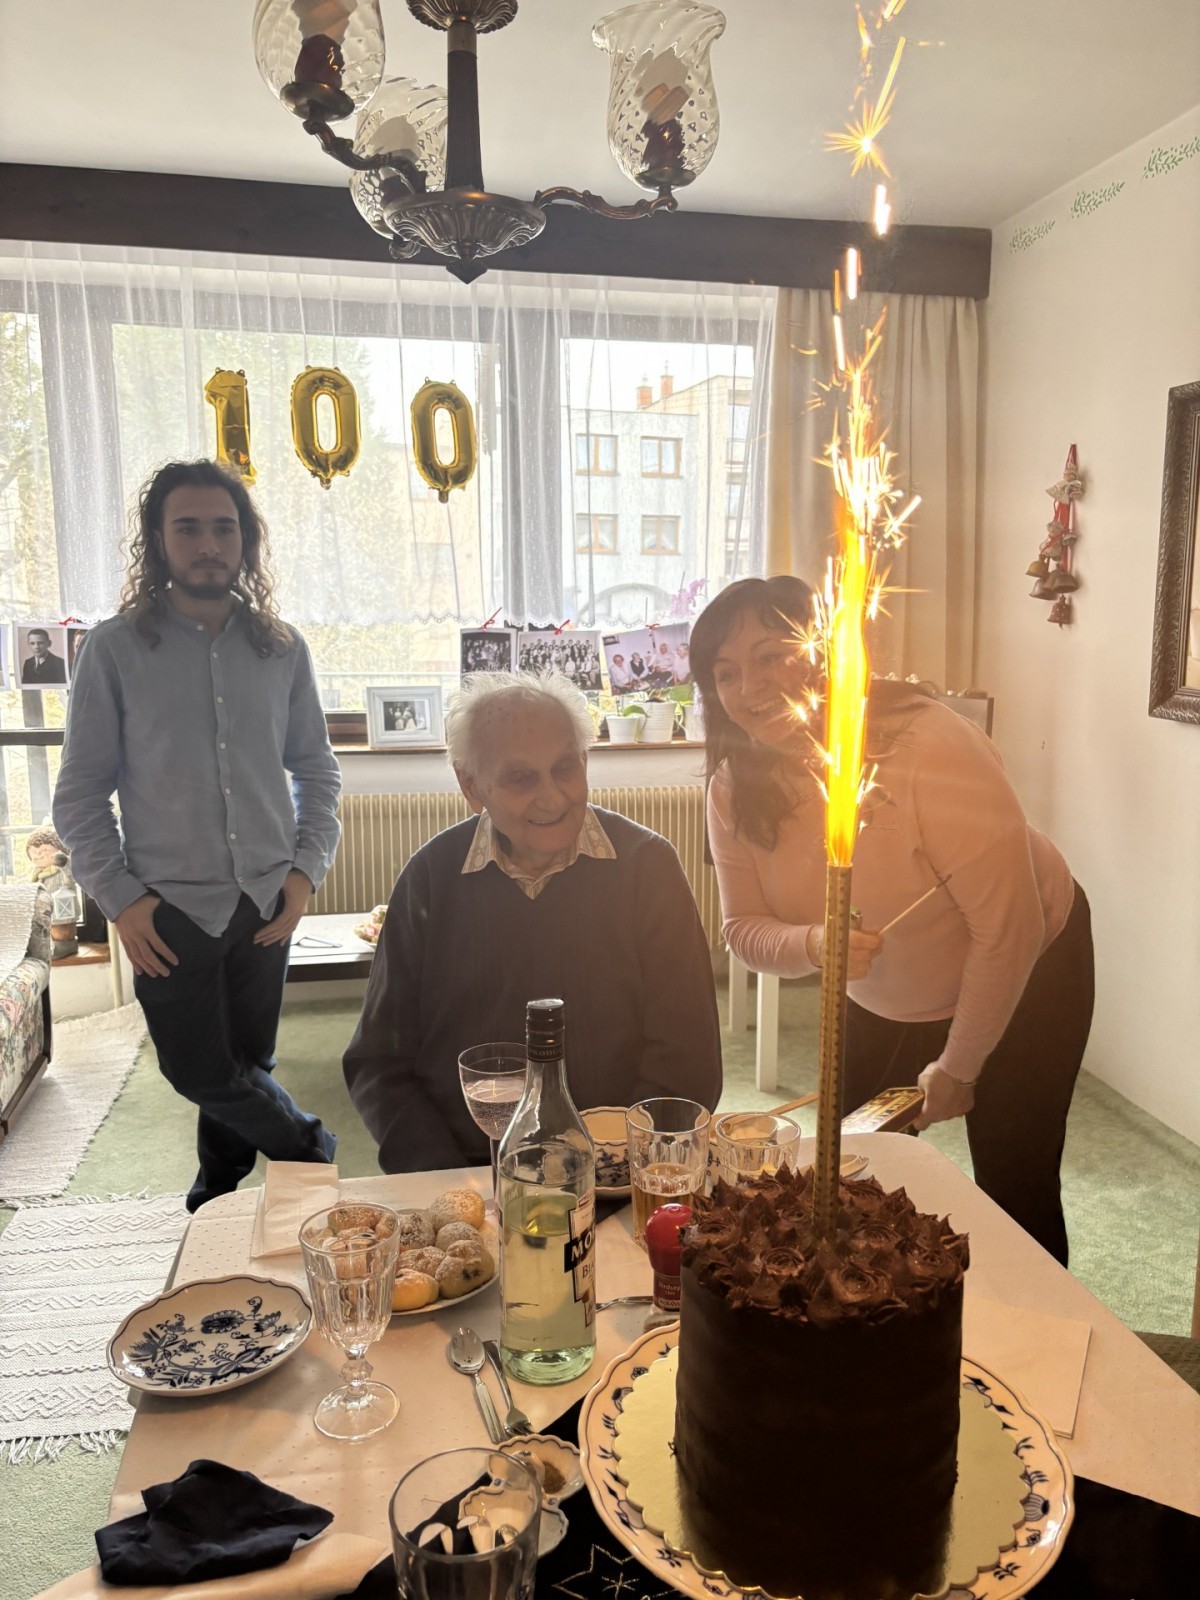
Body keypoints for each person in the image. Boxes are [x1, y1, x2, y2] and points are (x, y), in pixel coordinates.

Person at [689, 575, 1094, 1265]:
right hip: (886, 994)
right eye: (725, 673)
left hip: (1031, 969)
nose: (750, 686)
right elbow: (743, 929)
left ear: (823, 650)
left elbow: (1010, 928)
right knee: (847, 1168)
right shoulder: (734, 788)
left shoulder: (929, 746)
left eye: (771, 655)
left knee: (1015, 1182)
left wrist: (959, 1066)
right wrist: (816, 944)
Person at [53, 460, 341, 1213]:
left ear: (246, 540)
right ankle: (313, 1150)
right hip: (168, 910)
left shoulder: (283, 649)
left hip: (264, 900)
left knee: (248, 1061)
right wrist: (122, 901)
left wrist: (305, 873)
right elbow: (79, 796)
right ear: (158, 539)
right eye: (189, 528)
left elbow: (317, 771)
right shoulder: (113, 650)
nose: (209, 544)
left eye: (224, 528)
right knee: (197, 1069)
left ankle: (218, 1196)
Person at [344, 671, 723, 1172]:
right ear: (471, 785)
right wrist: (442, 1177)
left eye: (565, 768)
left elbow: (688, 1056)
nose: (553, 797)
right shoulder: (430, 877)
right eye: (521, 778)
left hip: (616, 1170)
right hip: (464, 1167)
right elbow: (379, 1061)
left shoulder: (647, 867)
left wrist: (612, 1168)